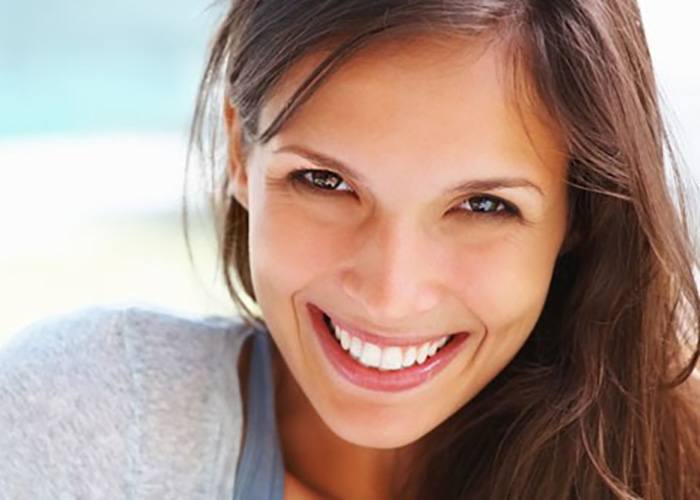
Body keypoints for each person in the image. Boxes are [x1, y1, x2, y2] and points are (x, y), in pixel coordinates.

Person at [2, 0, 699, 498]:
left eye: (483, 205)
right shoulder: (80, 427)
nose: (390, 294)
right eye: (325, 181)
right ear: (240, 153)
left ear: (582, 213)